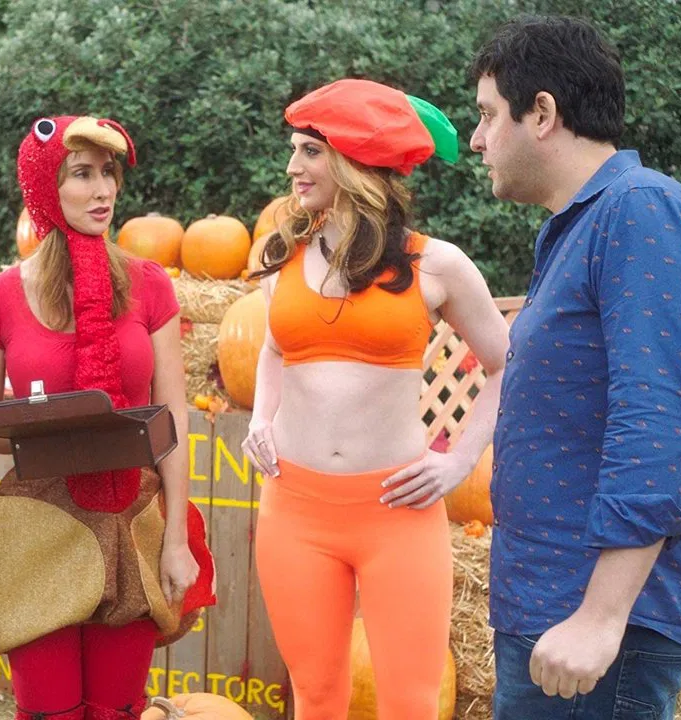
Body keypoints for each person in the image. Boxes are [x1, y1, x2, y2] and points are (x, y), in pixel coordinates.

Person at [468, 16, 681, 719]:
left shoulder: (641, 212)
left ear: (543, 112)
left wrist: (601, 616)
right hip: (552, 608)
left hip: (595, 626)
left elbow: (659, 422)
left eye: (488, 115)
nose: (477, 139)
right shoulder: (580, 225)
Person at [242, 79, 511, 720]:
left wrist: (460, 461)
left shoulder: (436, 264)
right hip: (295, 511)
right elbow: (276, 348)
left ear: (355, 160)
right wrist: (260, 417)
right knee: (315, 697)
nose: (292, 166)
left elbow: (509, 363)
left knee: (411, 703)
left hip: (398, 513)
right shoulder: (284, 254)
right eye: (294, 149)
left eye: (310, 150)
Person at [0, 115, 216, 720]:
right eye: (82, 174)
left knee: (117, 710)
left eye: (108, 173)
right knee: (50, 712)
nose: (103, 190)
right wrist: (57, 425)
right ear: (45, 187)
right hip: (40, 524)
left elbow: (172, 420)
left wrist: (174, 539)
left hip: (132, 520)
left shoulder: (149, 285)